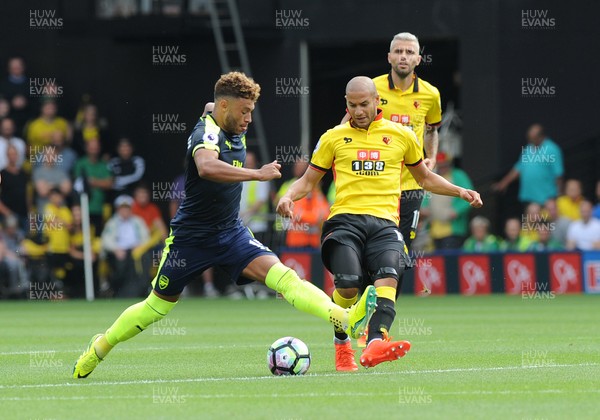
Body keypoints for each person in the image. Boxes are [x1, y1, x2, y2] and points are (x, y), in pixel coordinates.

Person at [73, 72, 376, 379]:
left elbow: (212, 102)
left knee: (286, 279)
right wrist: (256, 174)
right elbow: (205, 166)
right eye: (244, 112)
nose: (248, 119)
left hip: (231, 233)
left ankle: (346, 319)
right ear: (226, 107)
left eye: (251, 112)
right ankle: (100, 346)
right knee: (155, 308)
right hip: (190, 240)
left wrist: (352, 120)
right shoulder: (206, 131)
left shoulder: (222, 113)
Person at [277, 76, 482, 370]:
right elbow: (309, 181)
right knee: (348, 284)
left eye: (364, 104)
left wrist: (459, 191)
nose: (358, 111)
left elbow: (424, 178)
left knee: (389, 276)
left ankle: (375, 344)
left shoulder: (402, 136)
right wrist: (289, 197)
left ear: (376, 101)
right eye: (352, 105)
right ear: (346, 104)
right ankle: (341, 344)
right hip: (345, 222)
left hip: (385, 224)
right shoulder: (333, 137)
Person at [493, 124, 564, 206]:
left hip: (546, 199)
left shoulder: (552, 149)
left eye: (533, 139)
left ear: (541, 136)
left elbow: (558, 175)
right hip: (528, 198)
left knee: (544, 218)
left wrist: (559, 197)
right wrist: (503, 183)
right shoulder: (528, 149)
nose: (530, 141)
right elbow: (518, 169)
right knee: (528, 218)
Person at [421, 152, 473, 249]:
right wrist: (424, 208)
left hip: (453, 230)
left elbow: (469, 196)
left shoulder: (458, 175)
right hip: (434, 229)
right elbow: (426, 196)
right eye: (440, 166)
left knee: (450, 261)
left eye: (445, 165)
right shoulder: (432, 177)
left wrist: (456, 211)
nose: (442, 168)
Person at [101, 195, 150, 297]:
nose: (125, 211)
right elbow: (106, 239)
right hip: (120, 252)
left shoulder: (137, 221)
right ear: (118, 209)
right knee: (120, 265)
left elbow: (146, 237)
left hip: (136, 251)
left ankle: (142, 290)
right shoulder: (112, 223)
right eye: (122, 209)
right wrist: (115, 249)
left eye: (127, 208)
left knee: (144, 259)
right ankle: (120, 292)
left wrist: (140, 247)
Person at [73, 138, 113, 233]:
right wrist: (101, 182)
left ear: (99, 148)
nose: (94, 149)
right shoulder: (81, 164)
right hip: (83, 207)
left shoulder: (103, 165)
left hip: (98, 207)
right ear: (87, 148)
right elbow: (77, 184)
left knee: (97, 236)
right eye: (91, 147)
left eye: (96, 147)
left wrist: (93, 182)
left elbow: (109, 184)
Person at [0, 144, 30, 232]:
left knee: (25, 242)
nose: (13, 156)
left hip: (24, 215)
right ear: (7, 156)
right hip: (9, 214)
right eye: (10, 154)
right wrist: (6, 212)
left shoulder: (23, 173)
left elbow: (27, 194)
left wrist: (29, 212)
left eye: (14, 154)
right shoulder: (2, 174)